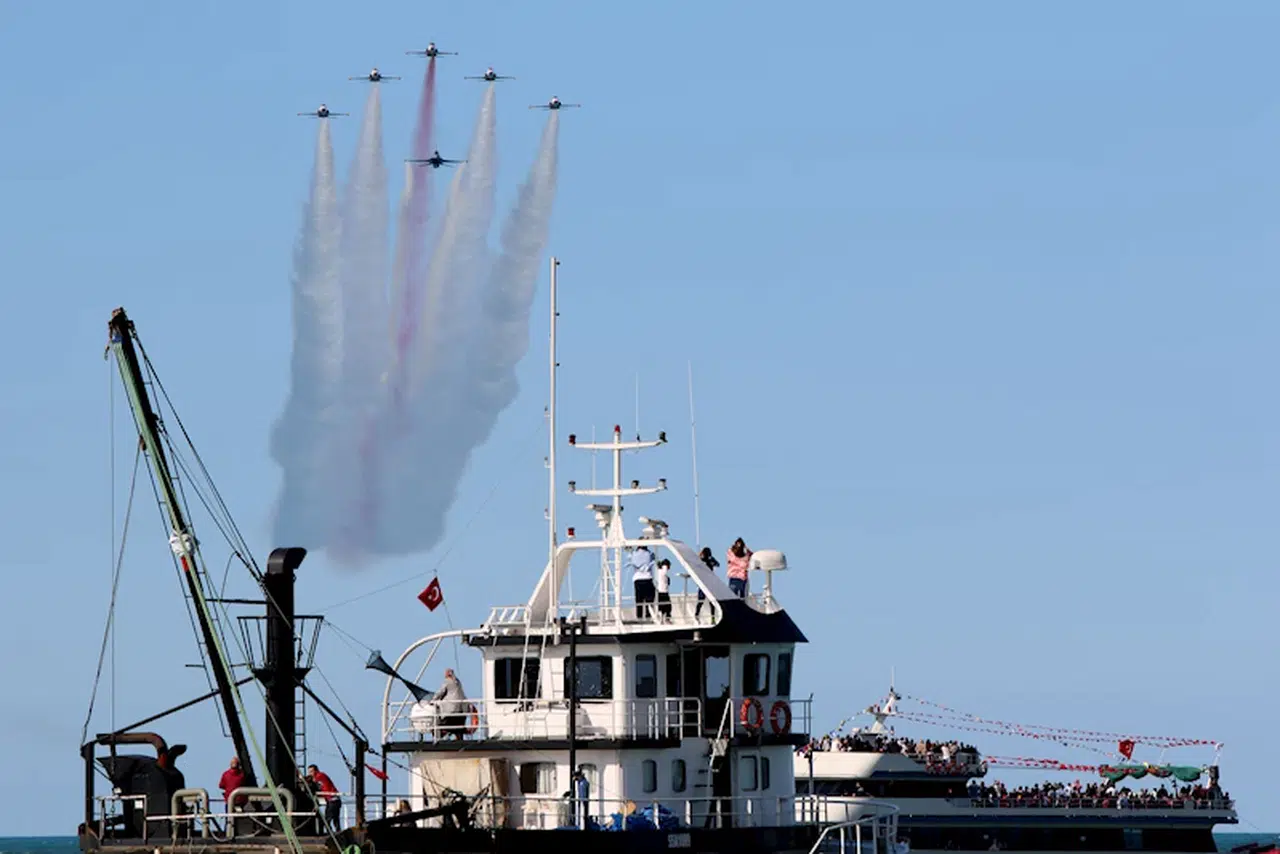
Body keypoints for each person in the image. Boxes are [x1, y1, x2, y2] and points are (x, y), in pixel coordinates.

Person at [432, 668, 469, 739]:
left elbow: (441, 692)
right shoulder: (458, 682)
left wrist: (433, 700)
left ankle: (438, 739)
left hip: (451, 710)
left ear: (448, 674)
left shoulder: (447, 681)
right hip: (461, 709)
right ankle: (459, 739)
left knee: (440, 725)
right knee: (458, 727)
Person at [306, 764, 341, 830]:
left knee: (328, 819)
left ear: (316, 771)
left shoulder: (320, 775)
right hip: (332, 800)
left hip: (333, 799)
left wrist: (302, 778)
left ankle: (331, 833)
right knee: (335, 819)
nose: (310, 774)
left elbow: (312, 781)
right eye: (309, 772)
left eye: (311, 771)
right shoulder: (319, 778)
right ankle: (336, 832)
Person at [630, 545, 655, 620]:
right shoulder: (649, 554)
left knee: (639, 599)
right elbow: (653, 559)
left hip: (637, 578)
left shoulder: (634, 554)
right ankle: (648, 615)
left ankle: (639, 616)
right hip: (647, 577)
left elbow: (632, 561)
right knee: (649, 599)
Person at [694, 547, 719, 617]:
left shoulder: (710, 559)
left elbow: (717, 564)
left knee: (710, 601)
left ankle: (712, 617)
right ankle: (697, 614)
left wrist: (711, 561)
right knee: (701, 600)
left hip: (708, 583)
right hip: (703, 583)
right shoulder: (701, 560)